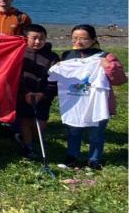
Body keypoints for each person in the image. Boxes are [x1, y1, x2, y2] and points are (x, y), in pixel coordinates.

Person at [55, 24, 126, 170]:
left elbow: (120, 80)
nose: (78, 42)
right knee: (73, 132)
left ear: (93, 39)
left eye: (83, 38)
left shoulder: (105, 56)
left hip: (97, 102)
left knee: (96, 133)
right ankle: (72, 158)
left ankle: (94, 161)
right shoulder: (67, 56)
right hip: (75, 101)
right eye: (74, 38)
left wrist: (109, 66)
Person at [16, 24, 59, 159]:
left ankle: (30, 138)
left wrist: (44, 94)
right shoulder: (19, 54)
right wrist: (26, 92)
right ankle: (27, 147)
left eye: (41, 38)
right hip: (23, 94)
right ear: (26, 38)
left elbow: (55, 79)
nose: (37, 42)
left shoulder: (52, 57)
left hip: (43, 95)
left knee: (40, 124)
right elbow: (16, 77)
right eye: (34, 38)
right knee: (25, 121)